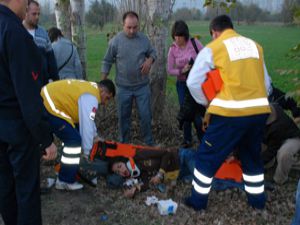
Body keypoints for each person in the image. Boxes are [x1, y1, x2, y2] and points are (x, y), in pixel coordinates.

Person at [185, 15, 272, 210]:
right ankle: (257, 202)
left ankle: (197, 202)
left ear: (214, 32)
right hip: (258, 113)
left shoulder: (215, 47)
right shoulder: (255, 46)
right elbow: (266, 84)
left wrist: (209, 103)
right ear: (232, 28)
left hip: (229, 116)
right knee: (251, 157)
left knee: (207, 156)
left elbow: (192, 82)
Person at [0, 0, 57, 224]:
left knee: (5, 186)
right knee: (26, 190)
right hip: (17, 127)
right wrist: (45, 139)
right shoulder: (15, 33)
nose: (27, 4)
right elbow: (28, 95)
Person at [40, 79, 115, 190]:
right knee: (74, 141)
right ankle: (64, 180)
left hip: (49, 99)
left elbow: (89, 118)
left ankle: (65, 170)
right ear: (102, 90)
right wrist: (87, 151)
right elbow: (87, 123)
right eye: (107, 98)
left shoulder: (91, 89)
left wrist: (94, 136)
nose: (105, 102)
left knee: (74, 136)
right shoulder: (91, 98)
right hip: (50, 105)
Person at [101, 11, 156, 146]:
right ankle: (124, 144)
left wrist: (150, 60)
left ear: (138, 25)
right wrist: (102, 83)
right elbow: (107, 61)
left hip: (142, 86)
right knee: (123, 118)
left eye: (135, 27)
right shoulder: (116, 41)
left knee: (145, 116)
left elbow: (153, 52)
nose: (132, 31)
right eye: (129, 27)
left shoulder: (144, 39)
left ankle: (149, 144)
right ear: (123, 25)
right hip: (123, 88)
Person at [167, 20, 204, 147]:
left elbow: (206, 58)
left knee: (199, 114)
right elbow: (169, 70)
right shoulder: (172, 49)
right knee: (186, 112)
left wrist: (195, 67)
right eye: (175, 36)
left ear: (185, 35)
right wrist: (182, 71)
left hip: (198, 84)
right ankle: (187, 140)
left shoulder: (194, 43)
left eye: (180, 36)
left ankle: (203, 139)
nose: (177, 39)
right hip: (183, 85)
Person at [109, 148, 180, 198]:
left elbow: (167, 152)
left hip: (180, 157)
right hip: (180, 174)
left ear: (125, 161)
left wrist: (159, 175)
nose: (121, 171)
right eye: (118, 172)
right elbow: (147, 183)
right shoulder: (137, 175)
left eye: (120, 166)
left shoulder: (140, 154)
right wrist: (135, 190)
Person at [262, 103, 300, 184]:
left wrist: (258, 163)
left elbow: (272, 149)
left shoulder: (277, 125)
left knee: (284, 154)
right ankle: (269, 164)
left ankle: (279, 179)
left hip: (291, 138)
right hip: (273, 139)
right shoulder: (259, 117)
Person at [23, 0, 58, 84]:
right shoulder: (18, 31)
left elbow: (51, 59)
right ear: (26, 12)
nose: (37, 17)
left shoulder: (43, 33)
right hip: (25, 83)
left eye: (38, 14)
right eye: (34, 14)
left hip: (44, 82)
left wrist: (54, 79)